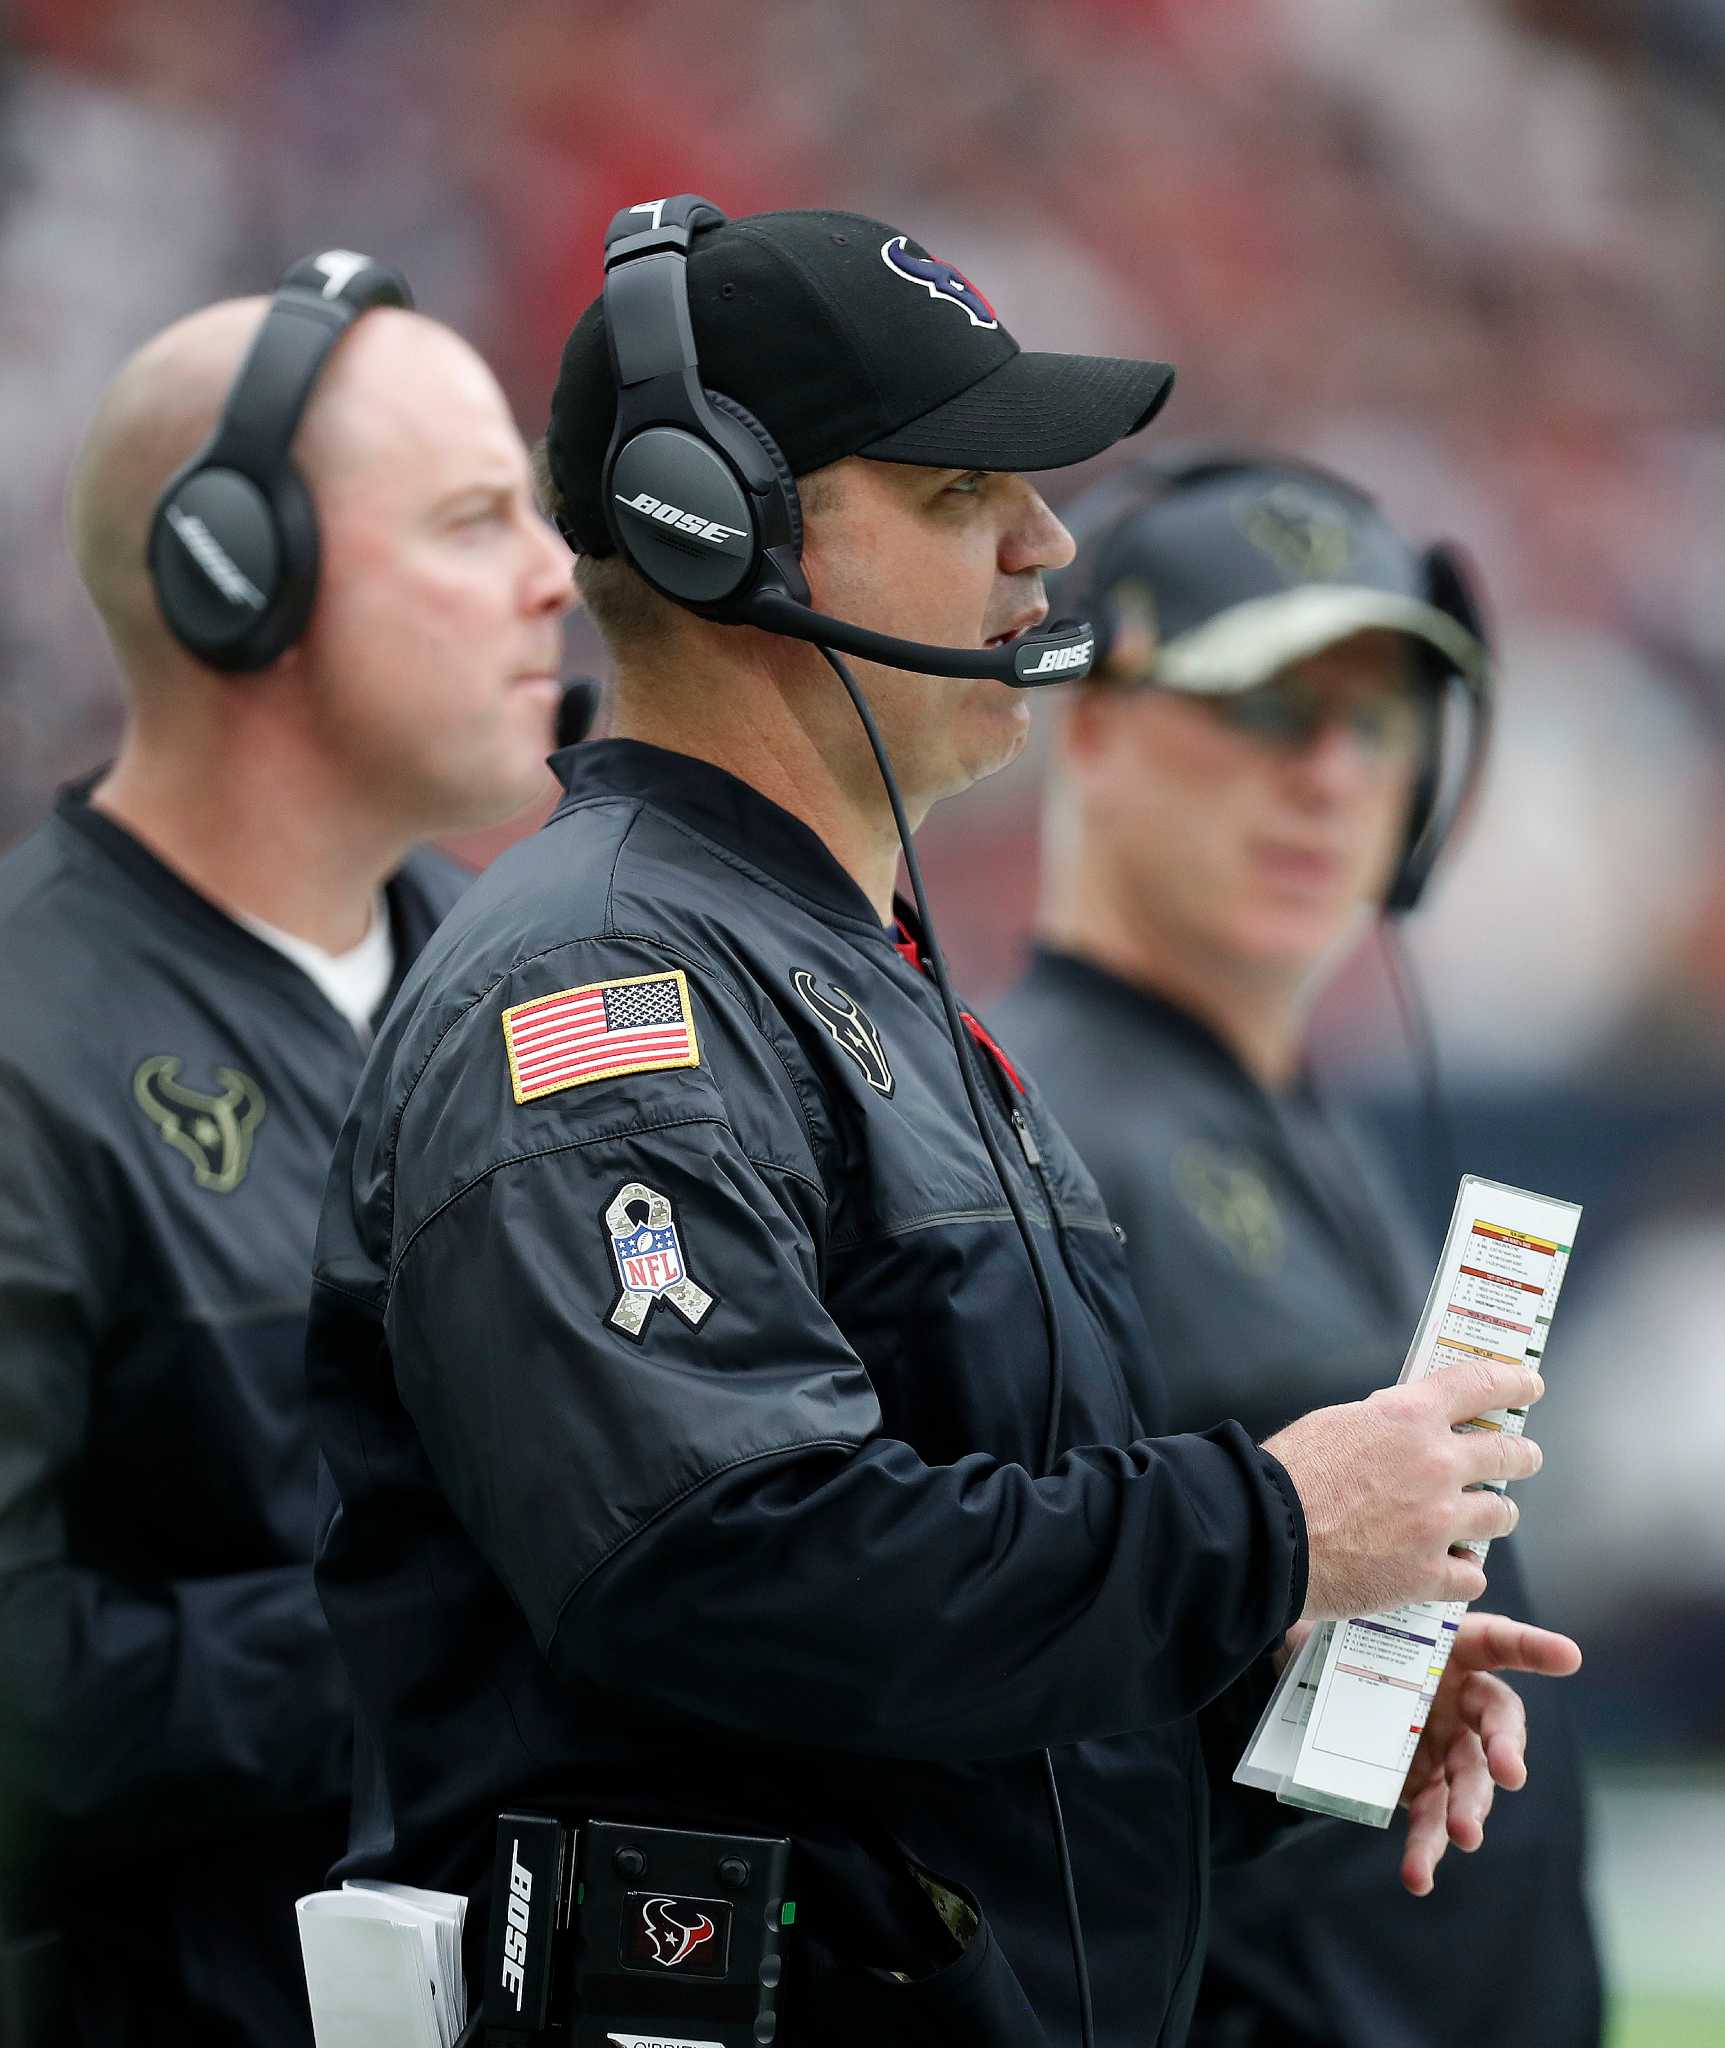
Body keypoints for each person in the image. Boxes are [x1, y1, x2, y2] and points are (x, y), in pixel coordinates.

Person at [306, 203, 1578, 2048]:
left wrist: (1258, 1684)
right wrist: (1275, 1530)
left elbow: (922, 1672)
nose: (1045, 541)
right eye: (964, 485)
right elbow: (720, 1566)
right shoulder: (601, 984)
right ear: (717, 522)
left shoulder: (854, 976)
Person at [0, 255, 573, 2045]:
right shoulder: (28, 1051)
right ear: (238, 579)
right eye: (478, 523)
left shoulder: (552, 988)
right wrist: (495, 1627)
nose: (558, 575)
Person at [994, 450, 1603, 2045]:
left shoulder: (1296, 1114)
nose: (1331, 774)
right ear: (1100, 727)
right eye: (1265, 709)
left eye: (1381, 720)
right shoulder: (1020, 1128)